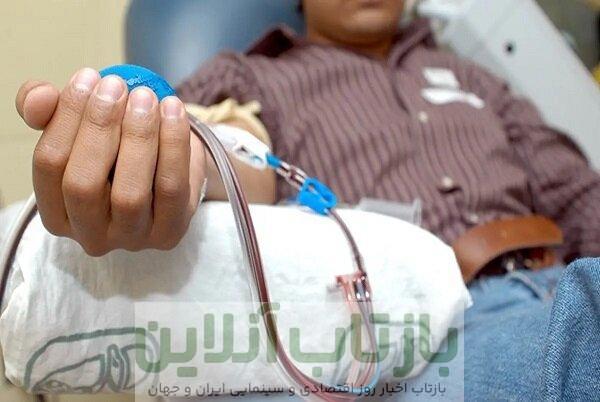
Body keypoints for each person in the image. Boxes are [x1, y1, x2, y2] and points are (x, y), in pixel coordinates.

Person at [13, 0, 600, 399]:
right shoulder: (254, 75)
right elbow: (234, 150)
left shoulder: (473, 77)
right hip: (435, 334)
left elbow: (577, 191)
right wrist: (167, 162)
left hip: (568, 277)